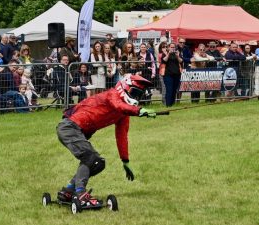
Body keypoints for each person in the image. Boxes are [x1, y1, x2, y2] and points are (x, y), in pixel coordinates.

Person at [55, 74, 156, 206]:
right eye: (134, 93)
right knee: (90, 158)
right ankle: (80, 193)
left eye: (139, 95)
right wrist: (139, 111)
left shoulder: (123, 114)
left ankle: (68, 191)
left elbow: (121, 136)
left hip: (78, 131)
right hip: (69, 127)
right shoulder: (112, 95)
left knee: (99, 163)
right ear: (124, 87)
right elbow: (118, 105)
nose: (136, 98)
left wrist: (125, 161)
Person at [161, 41, 183, 107]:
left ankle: (172, 104)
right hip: (168, 75)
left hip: (177, 74)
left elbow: (181, 61)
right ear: (168, 48)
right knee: (169, 90)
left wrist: (177, 56)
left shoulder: (177, 53)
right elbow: (164, 61)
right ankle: (168, 104)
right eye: (171, 47)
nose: (172, 48)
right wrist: (168, 54)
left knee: (174, 90)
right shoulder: (165, 53)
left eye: (173, 47)